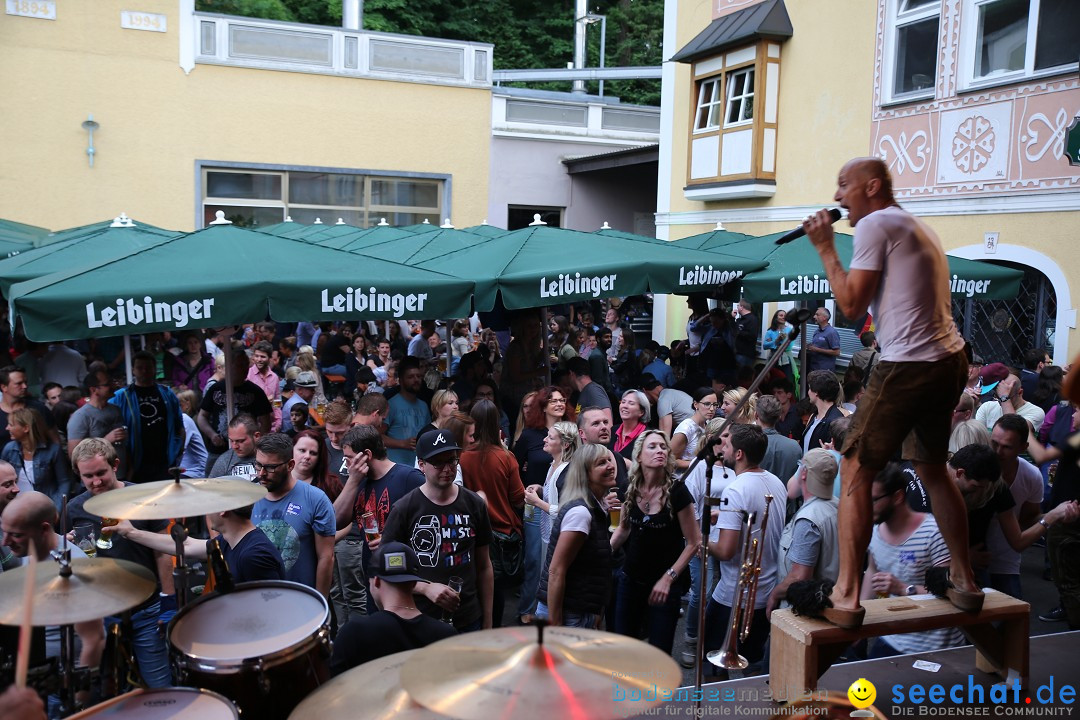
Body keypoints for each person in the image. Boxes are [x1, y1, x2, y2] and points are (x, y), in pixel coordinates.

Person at [803, 157, 979, 627]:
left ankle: (844, 595)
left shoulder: (876, 223)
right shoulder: (915, 225)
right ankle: (965, 581)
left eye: (844, 185)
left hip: (907, 364)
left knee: (855, 465)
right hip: (949, 359)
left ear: (872, 186)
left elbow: (850, 303)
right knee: (932, 467)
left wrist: (824, 247)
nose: (838, 196)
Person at [65, 439, 172, 687]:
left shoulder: (144, 498)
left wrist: (169, 599)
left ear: (115, 465)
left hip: (147, 606)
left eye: (101, 473)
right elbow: (84, 558)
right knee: (106, 686)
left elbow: (163, 551)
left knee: (159, 685)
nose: (96, 482)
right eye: (88, 476)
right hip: (102, 612)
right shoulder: (74, 508)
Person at [381, 429, 495, 631]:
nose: (447, 469)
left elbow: (484, 566)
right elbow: (388, 569)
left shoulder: (474, 504)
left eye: (452, 460)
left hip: (468, 619)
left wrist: (487, 620)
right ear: (422, 465)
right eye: (438, 463)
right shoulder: (405, 509)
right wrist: (425, 588)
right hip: (420, 619)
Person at [1, 491, 105, 706]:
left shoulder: (74, 568)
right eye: (4, 533)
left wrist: (79, 701)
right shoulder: (31, 550)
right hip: (38, 679)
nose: (5, 542)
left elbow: (94, 640)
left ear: (44, 529)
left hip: (64, 686)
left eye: (15, 535)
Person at [704, 424, 786, 675]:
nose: (723, 450)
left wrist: (702, 541)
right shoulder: (776, 482)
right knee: (755, 666)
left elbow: (727, 551)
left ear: (739, 454)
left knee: (713, 668)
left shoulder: (735, 489)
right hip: (766, 592)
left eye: (726, 445)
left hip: (734, 595)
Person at [610, 430, 700, 653]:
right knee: (625, 646)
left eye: (663, 447)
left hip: (665, 584)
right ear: (639, 456)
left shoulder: (677, 492)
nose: (659, 450)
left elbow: (694, 542)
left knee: (659, 651)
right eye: (652, 447)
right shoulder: (628, 488)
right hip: (631, 579)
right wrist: (603, 553)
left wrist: (668, 579)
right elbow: (623, 529)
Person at [329, 542, 457, 675]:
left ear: (376, 581)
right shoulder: (446, 635)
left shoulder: (353, 633)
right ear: (414, 583)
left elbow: (333, 687)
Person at [535, 443, 616, 627]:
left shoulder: (597, 506)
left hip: (578, 610)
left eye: (609, 460)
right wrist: (555, 625)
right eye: (601, 463)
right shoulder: (580, 513)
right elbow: (556, 571)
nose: (610, 466)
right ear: (586, 474)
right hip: (567, 614)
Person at [461, 399, 525, 627]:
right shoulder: (506, 457)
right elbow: (518, 498)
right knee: (495, 589)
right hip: (501, 531)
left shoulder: (462, 457)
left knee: (476, 585)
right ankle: (493, 630)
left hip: (471, 530)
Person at [250, 433, 336, 599]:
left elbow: (326, 557)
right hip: (258, 599)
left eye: (270, 467)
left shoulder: (315, 499)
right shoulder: (248, 497)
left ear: (290, 465)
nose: (261, 473)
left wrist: (319, 604)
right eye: (258, 465)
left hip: (301, 600)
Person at [116, 502, 285, 584]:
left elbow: (268, 611)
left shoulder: (253, 555)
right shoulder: (229, 541)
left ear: (223, 510)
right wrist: (132, 533)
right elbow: (186, 545)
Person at [767, 449, 840, 615]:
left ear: (804, 473)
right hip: (832, 605)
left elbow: (799, 576)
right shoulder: (839, 506)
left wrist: (775, 594)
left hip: (805, 614)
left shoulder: (808, 519)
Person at [109, 351, 184, 484]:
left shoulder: (167, 394)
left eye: (148, 367)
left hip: (164, 461)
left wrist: (177, 452)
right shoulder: (121, 396)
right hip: (135, 463)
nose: (144, 371)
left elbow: (179, 426)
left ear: (155, 369)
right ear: (133, 370)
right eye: (139, 368)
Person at [198, 345, 273, 456]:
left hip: (247, 453)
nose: (245, 368)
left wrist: (255, 443)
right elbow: (202, 416)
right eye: (240, 365)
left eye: (246, 365)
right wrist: (212, 435)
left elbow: (266, 423)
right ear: (230, 366)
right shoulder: (215, 389)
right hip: (218, 452)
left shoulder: (256, 392)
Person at [2, 408, 71, 511]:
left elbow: (64, 482)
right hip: (16, 509)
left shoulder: (53, 450)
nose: (7, 428)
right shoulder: (10, 449)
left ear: (26, 428)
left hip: (44, 508)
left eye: (11, 425)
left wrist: (57, 509)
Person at [383, 356, 430, 466]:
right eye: (411, 377)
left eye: (418, 376)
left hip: (419, 467)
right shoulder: (390, 405)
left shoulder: (424, 405)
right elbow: (377, 436)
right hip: (395, 466)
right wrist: (402, 443)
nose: (416, 380)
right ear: (401, 380)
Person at [670, 388, 718, 476]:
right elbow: (670, 460)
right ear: (696, 404)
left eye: (715, 405)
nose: (712, 409)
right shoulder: (686, 428)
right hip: (683, 480)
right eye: (707, 404)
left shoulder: (708, 424)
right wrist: (697, 464)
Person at [975, 373, 1045, 433]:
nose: (1000, 401)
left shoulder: (1036, 412)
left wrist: (1004, 398)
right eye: (997, 396)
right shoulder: (987, 407)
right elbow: (977, 436)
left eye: (1006, 396)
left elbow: (1014, 431)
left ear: (1020, 393)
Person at [757, 395, 802, 485]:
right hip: (786, 497)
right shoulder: (794, 446)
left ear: (756, 415)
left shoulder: (750, 445)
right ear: (779, 416)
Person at [801, 370, 845, 457]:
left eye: (810, 388)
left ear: (816, 392)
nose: (808, 392)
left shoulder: (835, 421)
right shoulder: (814, 416)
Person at [209, 414, 260, 481]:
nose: (234, 446)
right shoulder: (225, 460)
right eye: (232, 441)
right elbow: (210, 487)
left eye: (240, 441)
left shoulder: (269, 457)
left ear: (256, 436)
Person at [247, 340, 282, 432]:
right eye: (256, 356)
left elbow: (277, 401)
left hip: (272, 426)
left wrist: (278, 421)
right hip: (254, 425)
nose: (259, 359)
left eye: (263, 357)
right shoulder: (248, 375)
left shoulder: (274, 377)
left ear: (269, 358)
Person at [614, 390, 650, 462]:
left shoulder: (648, 436)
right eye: (623, 402)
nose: (625, 406)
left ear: (641, 412)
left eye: (631, 403)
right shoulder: (613, 430)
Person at [762, 310, 795, 387]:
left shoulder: (790, 330)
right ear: (776, 318)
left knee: (787, 381)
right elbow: (765, 346)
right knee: (773, 380)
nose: (783, 317)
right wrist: (776, 340)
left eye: (785, 315)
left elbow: (789, 346)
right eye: (781, 315)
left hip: (786, 360)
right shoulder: (770, 331)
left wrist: (774, 343)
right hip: (773, 359)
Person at [806, 308, 840, 373]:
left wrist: (816, 349)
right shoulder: (817, 331)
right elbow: (817, 346)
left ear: (824, 318)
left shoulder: (832, 332)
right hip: (814, 368)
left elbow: (836, 352)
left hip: (825, 370)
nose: (814, 316)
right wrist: (809, 347)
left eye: (817, 315)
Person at [733, 299, 759, 372]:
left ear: (741, 307)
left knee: (742, 376)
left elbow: (752, 335)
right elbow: (733, 330)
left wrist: (739, 332)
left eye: (738, 306)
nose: (737, 308)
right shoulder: (740, 320)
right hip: (738, 353)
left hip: (746, 354)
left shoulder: (752, 319)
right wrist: (732, 318)